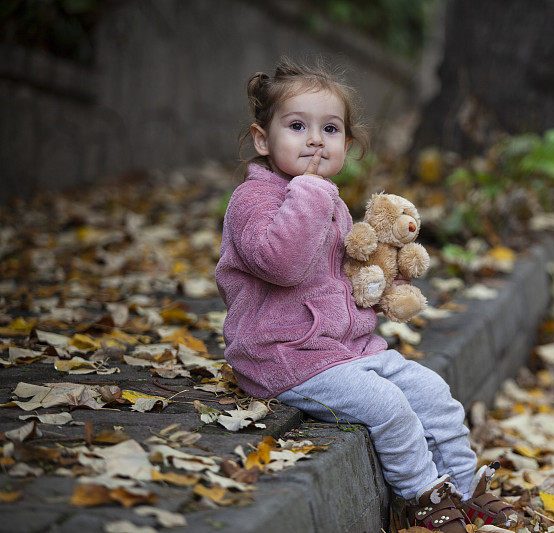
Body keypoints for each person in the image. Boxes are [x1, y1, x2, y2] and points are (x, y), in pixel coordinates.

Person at [215, 57, 518, 532]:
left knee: (434, 393)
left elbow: (339, 277)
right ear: (262, 139)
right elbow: (282, 264)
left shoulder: (327, 200)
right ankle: (421, 497)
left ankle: (463, 486)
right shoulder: (255, 202)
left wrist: (380, 284)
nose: (315, 139)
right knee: (388, 408)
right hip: (283, 356)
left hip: (346, 349)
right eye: (297, 126)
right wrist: (312, 191)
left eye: (330, 129)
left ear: (347, 146)